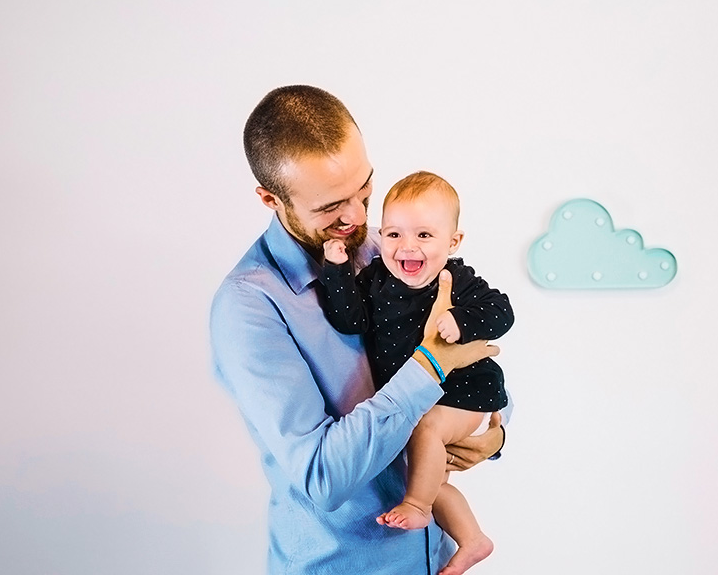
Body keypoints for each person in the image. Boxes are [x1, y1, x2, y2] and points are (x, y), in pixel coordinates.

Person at [210, 85, 507, 575]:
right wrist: (429, 365)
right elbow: (322, 477)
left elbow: (477, 355)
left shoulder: (388, 249)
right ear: (270, 198)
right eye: (330, 206)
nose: (356, 217)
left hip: (433, 556)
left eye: (363, 188)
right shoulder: (248, 306)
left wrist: (495, 432)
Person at [319, 171, 513, 574]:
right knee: (430, 474)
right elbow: (350, 320)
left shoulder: (455, 280)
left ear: (453, 242)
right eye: (394, 235)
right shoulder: (375, 279)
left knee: (426, 432)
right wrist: (336, 270)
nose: (407, 246)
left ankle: (416, 506)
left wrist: (461, 320)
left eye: (424, 236)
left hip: (467, 395)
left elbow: (502, 312)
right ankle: (472, 539)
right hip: (426, 402)